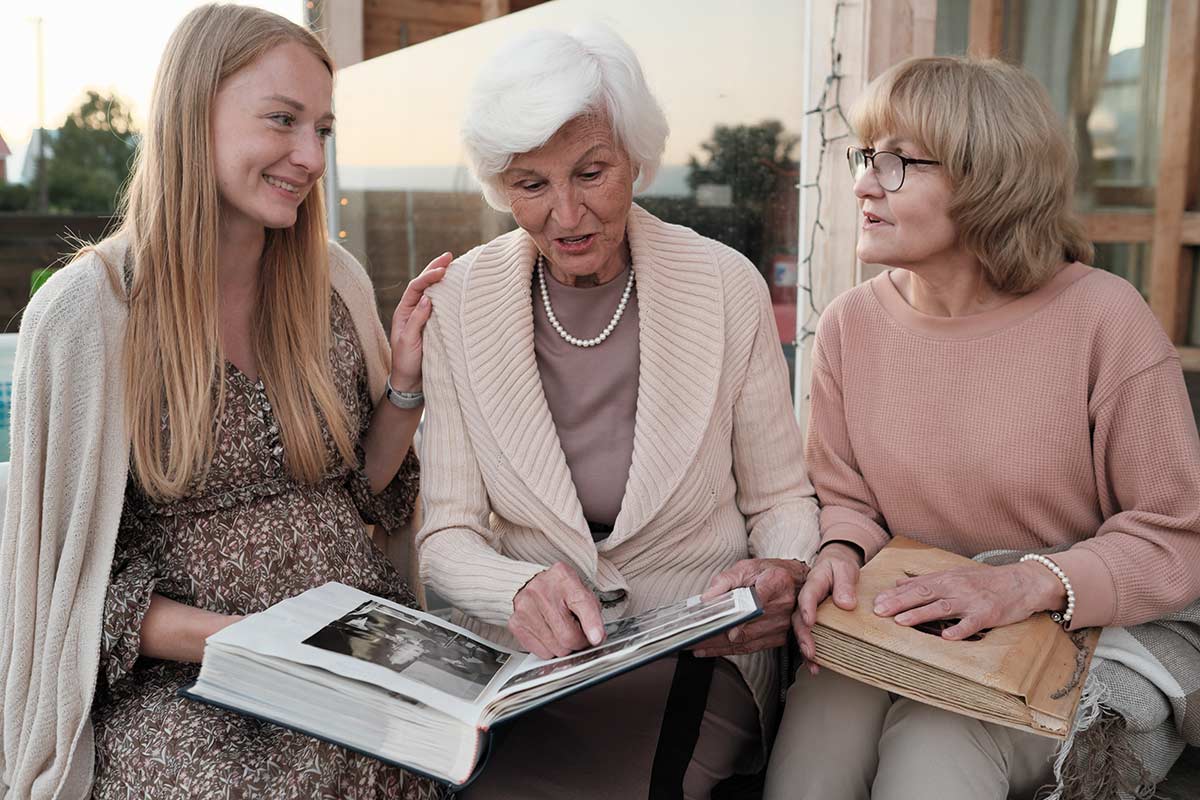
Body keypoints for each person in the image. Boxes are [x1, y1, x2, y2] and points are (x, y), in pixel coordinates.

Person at [0, 5, 450, 798]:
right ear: (192, 111)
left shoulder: (332, 282)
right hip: (191, 686)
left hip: (353, 649)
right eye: (282, 121)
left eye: (323, 129)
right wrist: (257, 643)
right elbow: (66, 588)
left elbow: (362, 498)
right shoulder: (87, 315)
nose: (310, 157)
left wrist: (404, 382)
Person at [766, 56, 1200, 800]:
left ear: (987, 179)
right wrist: (838, 549)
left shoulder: (1103, 317)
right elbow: (847, 499)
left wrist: (1024, 584)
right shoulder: (849, 326)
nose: (866, 182)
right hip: (912, 626)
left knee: (935, 746)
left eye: (900, 162)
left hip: (1088, 628)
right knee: (818, 742)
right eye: (867, 156)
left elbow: (1177, 534)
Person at [414, 23, 820, 800]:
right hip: (530, 668)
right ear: (501, 187)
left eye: (591, 172)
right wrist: (516, 593)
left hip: (697, 655)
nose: (566, 214)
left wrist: (784, 571)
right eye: (531, 185)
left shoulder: (724, 286)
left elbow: (780, 498)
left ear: (636, 158)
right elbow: (445, 535)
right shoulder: (461, 300)